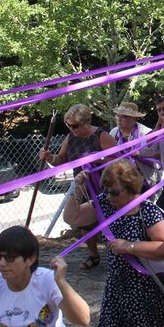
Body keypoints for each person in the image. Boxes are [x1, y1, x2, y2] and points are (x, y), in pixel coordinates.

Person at [66, 158, 164, 327]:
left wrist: (130, 246)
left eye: (115, 192)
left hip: (144, 283)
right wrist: (77, 187)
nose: (109, 196)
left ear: (131, 188)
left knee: (143, 325)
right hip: (120, 279)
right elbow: (72, 218)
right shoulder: (106, 206)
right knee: (134, 325)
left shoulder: (146, 210)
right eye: (106, 190)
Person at [45, 104, 118, 270]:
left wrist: (96, 159)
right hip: (82, 185)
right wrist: (50, 157)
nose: (72, 129)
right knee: (84, 223)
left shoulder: (101, 135)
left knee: (111, 222)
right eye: (68, 125)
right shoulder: (70, 137)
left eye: (75, 126)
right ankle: (94, 255)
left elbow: (119, 158)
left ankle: (118, 257)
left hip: (105, 186)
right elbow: (61, 160)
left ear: (86, 123)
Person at [110, 101, 159, 190]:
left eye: (124, 117)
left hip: (144, 178)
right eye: (117, 116)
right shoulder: (113, 132)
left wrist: (139, 154)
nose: (119, 119)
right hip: (120, 179)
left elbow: (156, 154)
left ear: (134, 118)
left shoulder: (146, 133)